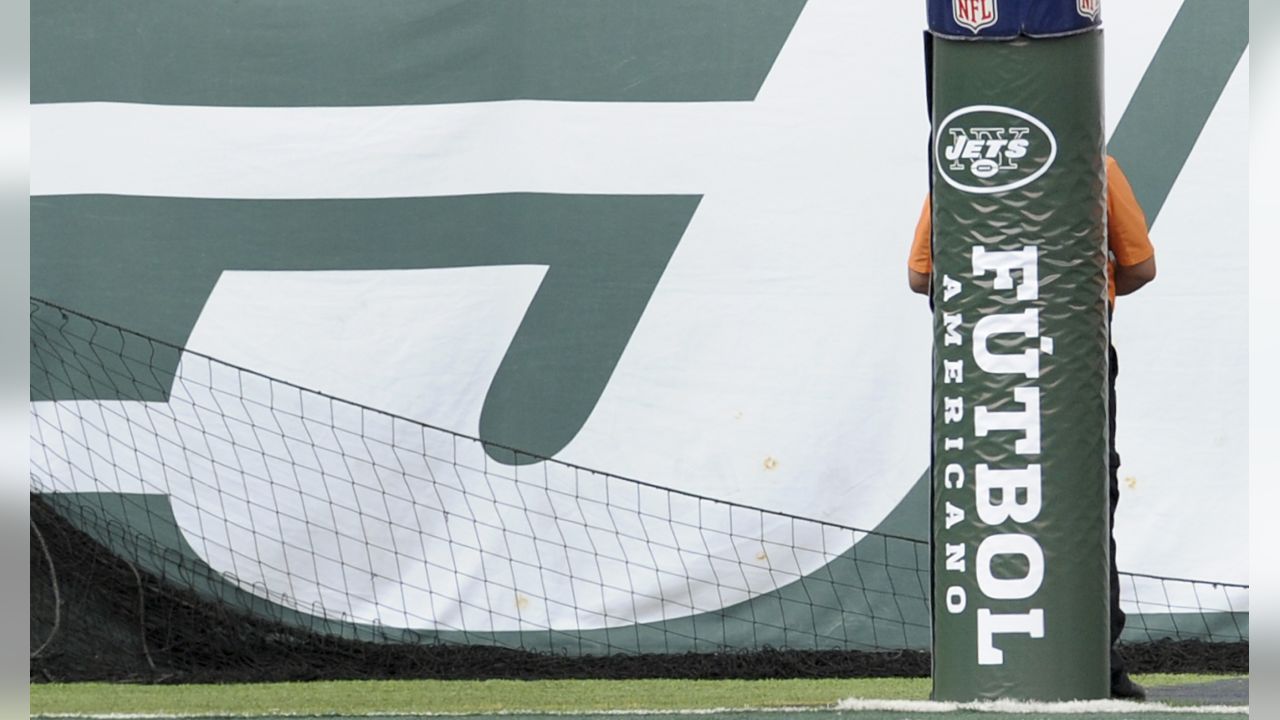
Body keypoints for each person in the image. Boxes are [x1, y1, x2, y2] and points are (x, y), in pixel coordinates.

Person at [908, 155, 1157, 700]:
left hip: (985, 362)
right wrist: (1074, 298)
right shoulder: (1096, 165)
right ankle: (1098, 666)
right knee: (1085, 499)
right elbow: (1140, 267)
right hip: (1077, 355)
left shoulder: (956, 172)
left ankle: (968, 659)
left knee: (977, 493)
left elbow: (920, 276)